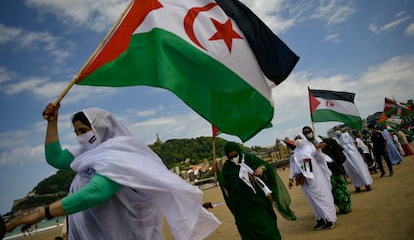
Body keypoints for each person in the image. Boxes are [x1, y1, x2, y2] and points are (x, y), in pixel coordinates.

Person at [7, 103, 220, 239]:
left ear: (101, 129)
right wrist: (52, 123)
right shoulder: (85, 153)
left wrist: (41, 214)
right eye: (76, 132)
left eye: (83, 131)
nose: (79, 137)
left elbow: (97, 191)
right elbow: (54, 158)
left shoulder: (120, 154)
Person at [215, 141, 296, 240]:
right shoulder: (227, 167)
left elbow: (266, 165)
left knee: (269, 228)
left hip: (259, 202)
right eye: (230, 157)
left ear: (239, 151)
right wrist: (218, 173)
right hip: (243, 208)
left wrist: (262, 168)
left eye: (235, 155)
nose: (233, 159)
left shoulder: (250, 158)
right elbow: (226, 185)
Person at [288, 133, 337, 230]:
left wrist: (318, 149)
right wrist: (290, 178)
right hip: (305, 182)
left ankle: (329, 219)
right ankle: (320, 220)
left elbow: (320, 159)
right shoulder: (295, 154)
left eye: (299, 137)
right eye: (296, 138)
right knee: (312, 201)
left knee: (323, 198)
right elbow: (293, 167)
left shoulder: (311, 149)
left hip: (317, 180)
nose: (298, 139)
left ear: (304, 139)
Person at [302, 126, 351, 214]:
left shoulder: (321, 139)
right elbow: (306, 161)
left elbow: (334, 145)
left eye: (309, 131)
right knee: (331, 191)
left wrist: (323, 145)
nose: (308, 133)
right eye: (305, 133)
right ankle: (338, 208)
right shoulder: (304, 147)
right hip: (321, 173)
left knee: (341, 187)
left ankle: (346, 206)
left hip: (333, 167)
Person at [332, 126, 373, 192]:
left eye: (337, 129)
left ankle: (367, 184)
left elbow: (353, 144)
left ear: (340, 129)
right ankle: (357, 186)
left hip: (353, 155)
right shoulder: (334, 139)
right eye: (335, 130)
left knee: (360, 168)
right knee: (351, 171)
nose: (337, 131)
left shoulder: (346, 135)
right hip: (345, 157)